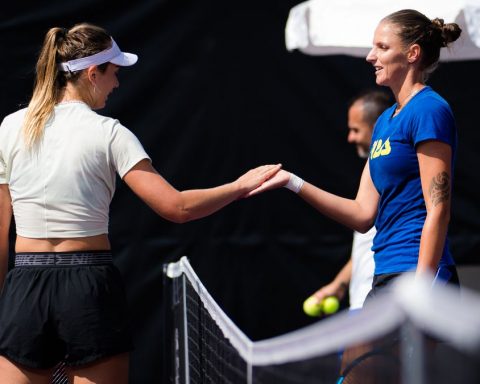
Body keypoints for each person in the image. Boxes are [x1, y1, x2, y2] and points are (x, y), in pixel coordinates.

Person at [0, 23, 281, 384]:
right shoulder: (110, 132)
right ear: (92, 73)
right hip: (88, 287)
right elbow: (176, 207)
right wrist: (239, 186)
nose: (117, 83)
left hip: (24, 289)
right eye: (114, 73)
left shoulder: (9, 128)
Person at [253, 9, 462, 300]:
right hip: (384, 270)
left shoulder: (429, 109)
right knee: (356, 349)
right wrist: (292, 182)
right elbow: (362, 214)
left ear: (412, 53)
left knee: (360, 348)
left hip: (417, 273)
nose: (370, 56)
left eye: (382, 47)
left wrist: (421, 288)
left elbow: (438, 209)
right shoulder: (384, 122)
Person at [310, 90, 391, 311]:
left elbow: (362, 218)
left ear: (376, 129)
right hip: (364, 300)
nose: (350, 138)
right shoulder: (373, 172)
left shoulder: (389, 177)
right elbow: (368, 243)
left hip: (379, 301)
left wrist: (295, 184)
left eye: (356, 130)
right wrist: (339, 283)